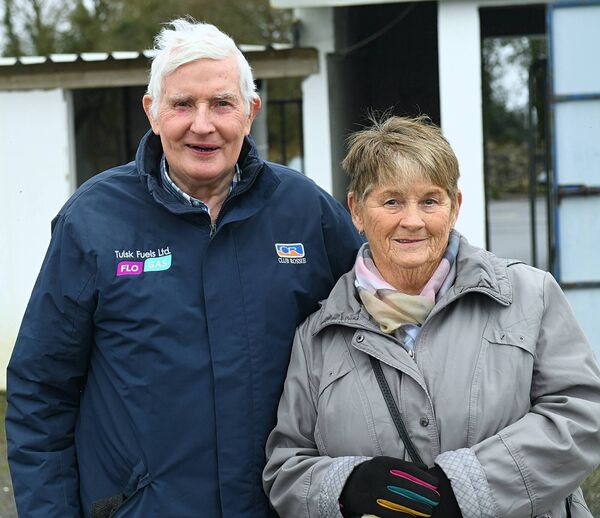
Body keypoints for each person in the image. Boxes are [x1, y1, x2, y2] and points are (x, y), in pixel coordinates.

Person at [6, 18, 362, 518]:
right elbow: (41, 391)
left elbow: (378, 324)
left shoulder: (305, 212)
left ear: (250, 112)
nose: (202, 124)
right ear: (152, 112)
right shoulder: (92, 221)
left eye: (221, 103)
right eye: (182, 104)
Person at [263, 115, 600, 518]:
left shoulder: (530, 295)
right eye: (391, 201)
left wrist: (467, 489)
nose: (412, 220)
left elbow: (582, 415)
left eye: (429, 200)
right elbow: (285, 470)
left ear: (454, 206)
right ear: (356, 210)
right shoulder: (317, 336)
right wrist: (345, 485)